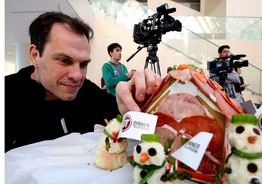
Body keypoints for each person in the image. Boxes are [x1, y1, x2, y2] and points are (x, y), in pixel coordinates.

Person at [5, 12, 160, 152]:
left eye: (83, 64)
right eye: (64, 60)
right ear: (34, 56)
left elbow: (139, 135)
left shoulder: (87, 92)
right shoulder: (7, 95)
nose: (77, 75)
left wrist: (139, 109)